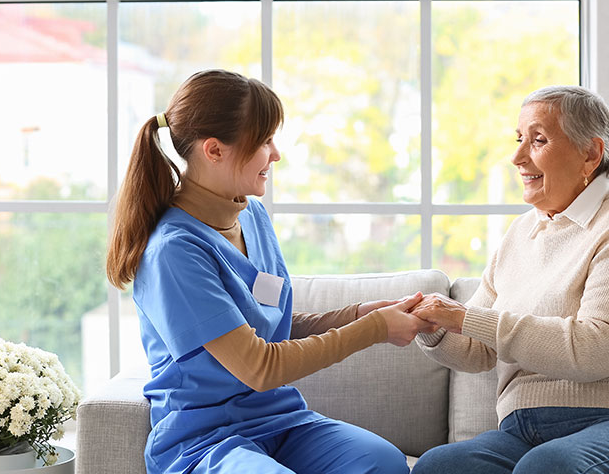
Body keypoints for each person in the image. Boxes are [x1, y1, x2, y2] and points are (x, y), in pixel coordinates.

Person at [106, 69, 431, 474]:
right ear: (214, 150)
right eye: (264, 141)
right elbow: (260, 366)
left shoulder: (253, 216)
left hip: (280, 420)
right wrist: (374, 329)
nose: (275, 153)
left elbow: (267, 324)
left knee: (383, 463)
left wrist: (358, 314)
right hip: (206, 440)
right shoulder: (174, 252)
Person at [409, 85, 609, 474]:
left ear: (590, 154)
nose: (516, 157)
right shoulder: (519, 234)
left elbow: (595, 350)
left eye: (538, 140)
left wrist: (463, 317)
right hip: (527, 429)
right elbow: (477, 349)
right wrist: (431, 325)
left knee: (548, 466)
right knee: (439, 467)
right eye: (519, 140)